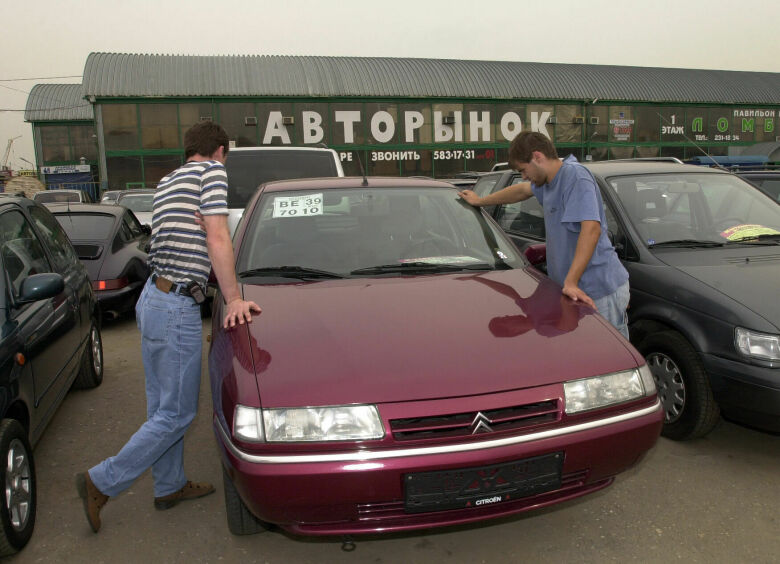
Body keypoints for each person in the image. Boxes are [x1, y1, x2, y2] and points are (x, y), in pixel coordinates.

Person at [76, 121, 261, 533]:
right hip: (176, 305)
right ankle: (100, 480)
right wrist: (233, 299)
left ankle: (169, 485)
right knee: (176, 414)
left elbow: (176, 238)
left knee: (162, 407)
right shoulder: (211, 172)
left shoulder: (168, 181)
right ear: (219, 150)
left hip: (154, 298)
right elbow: (217, 238)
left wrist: (205, 231)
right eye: (225, 157)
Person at [459, 131, 630, 338]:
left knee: (608, 354)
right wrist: (480, 201)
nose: (523, 176)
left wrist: (571, 282)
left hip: (599, 289)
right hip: (572, 293)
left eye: (523, 169)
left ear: (537, 157)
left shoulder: (575, 176)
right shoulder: (548, 183)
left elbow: (591, 229)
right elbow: (521, 191)